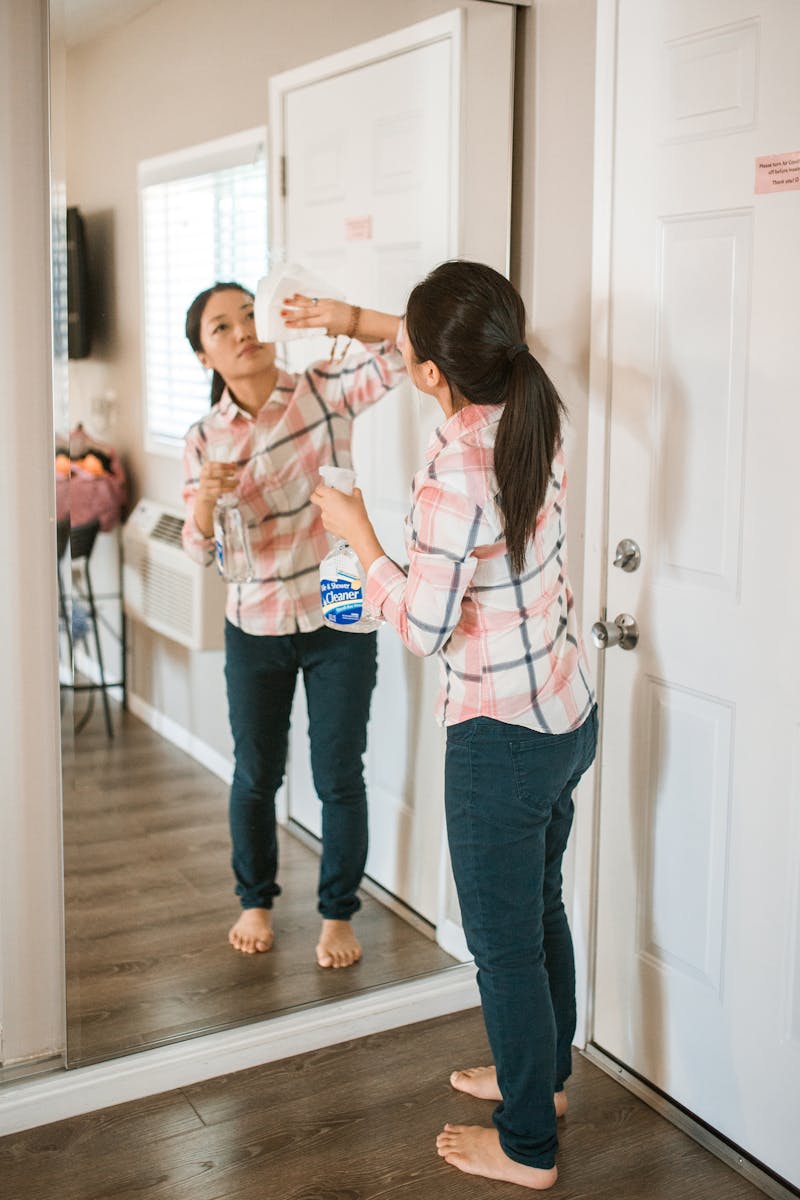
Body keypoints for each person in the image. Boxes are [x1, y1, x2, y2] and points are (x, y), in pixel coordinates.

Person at [310, 260, 597, 1188]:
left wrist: (359, 535)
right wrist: (356, 316)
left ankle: (526, 1147)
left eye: (411, 351)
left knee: (503, 948)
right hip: (564, 711)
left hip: (499, 741)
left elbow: (426, 627)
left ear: (433, 373)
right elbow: (437, 336)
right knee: (540, 907)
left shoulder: (456, 470)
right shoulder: (533, 401)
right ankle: (542, 1081)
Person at [181, 281, 404, 968]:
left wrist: (350, 317)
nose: (243, 330)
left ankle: (338, 913)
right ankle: (256, 899)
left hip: (338, 604)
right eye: (222, 327)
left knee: (339, 774)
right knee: (256, 774)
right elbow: (201, 551)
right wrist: (205, 506)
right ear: (203, 355)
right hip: (255, 622)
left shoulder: (323, 386)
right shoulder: (203, 440)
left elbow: (414, 348)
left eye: (249, 314)